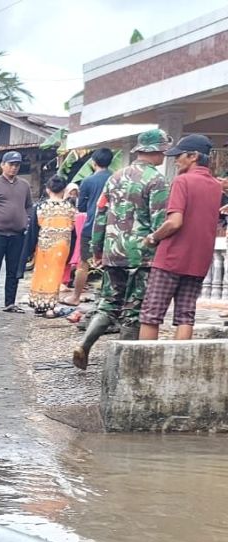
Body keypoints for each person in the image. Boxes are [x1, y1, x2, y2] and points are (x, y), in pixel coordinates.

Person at [73, 129, 171, 369]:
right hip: (141, 256)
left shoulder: (115, 177)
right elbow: (160, 222)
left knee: (108, 303)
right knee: (133, 310)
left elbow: (100, 215)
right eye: (163, 151)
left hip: (112, 251)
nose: (165, 155)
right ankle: (122, 365)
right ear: (155, 151)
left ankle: (84, 344)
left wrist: (97, 249)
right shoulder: (157, 180)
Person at [140, 134, 223, 341]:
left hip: (171, 259)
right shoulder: (215, 185)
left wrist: (153, 237)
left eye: (179, 156)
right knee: (186, 316)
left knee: (151, 315)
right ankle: (180, 369)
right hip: (199, 260)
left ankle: (146, 367)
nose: (176, 161)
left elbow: (174, 222)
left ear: (193, 156)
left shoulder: (182, 180)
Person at [0, 151, 34, 313]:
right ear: (2, 165)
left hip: (17, 235)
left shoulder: (24, 185)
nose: (14, 168)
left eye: (17, 165)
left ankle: (10, 303)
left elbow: (29, 206)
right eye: (11, 164)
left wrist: (27, 220)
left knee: (14, 271)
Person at [63, 147, 115, 305]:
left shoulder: (88, 181)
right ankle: (105, 301)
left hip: (91, 226)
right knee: (109, 265)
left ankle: (75, 297)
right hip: (111, 227)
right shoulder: (115, 178)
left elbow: (83, 206)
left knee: (83, 263)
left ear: (93, 162)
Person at [26, 175, 77, 315]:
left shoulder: (41, 207)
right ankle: (51, 304)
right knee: (55, 274)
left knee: (41, 273)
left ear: (48, 189)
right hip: (62, 245)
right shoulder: (70, 208)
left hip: (45, 245)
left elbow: (35, 228)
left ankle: (39, 302)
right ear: (64, 190)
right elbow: (73, 229)